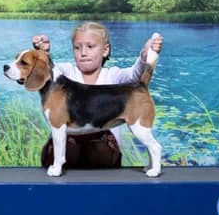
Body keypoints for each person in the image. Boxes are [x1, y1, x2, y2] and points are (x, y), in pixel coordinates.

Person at [32, 22, 163, 169]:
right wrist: (43, 54)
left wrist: (145, 56)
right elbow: (48, 71)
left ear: (105, 50)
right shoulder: (65, 73)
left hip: (102, 154)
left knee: (140, 136)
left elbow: (135, 76)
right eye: (77, 47)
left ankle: (154, 164)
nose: (83, 52)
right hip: (71, 153)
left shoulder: (114, 75)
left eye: (90, 46)